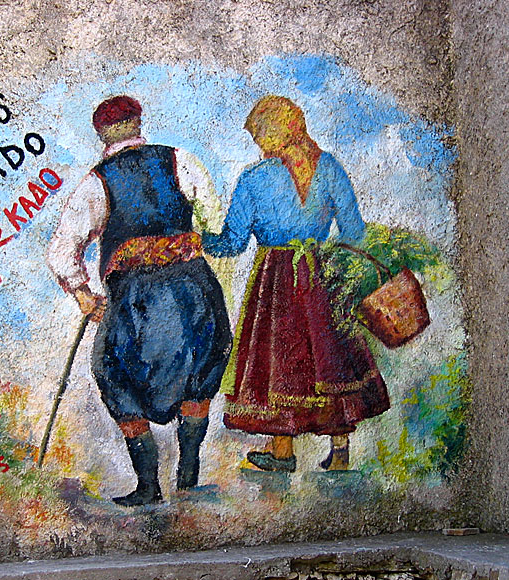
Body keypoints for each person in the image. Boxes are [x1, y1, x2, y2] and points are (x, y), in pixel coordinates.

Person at [47, 96, 231, 505]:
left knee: (114, 374)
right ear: (138, 123)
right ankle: (188, 476)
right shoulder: (179, 160)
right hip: (193, 292)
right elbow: (213, 219)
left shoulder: (97, 182)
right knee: (199, 367)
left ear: (101, 134)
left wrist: (83, 295)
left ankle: (149, 486)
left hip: (135, 303)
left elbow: (62, 249)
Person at [203, 95, 389, 472]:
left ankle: (282, 452)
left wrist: (200, 237)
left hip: (276, 280)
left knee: (279, 362)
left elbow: (232, 243)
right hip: (323, 273)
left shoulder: (255, 178)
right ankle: (339, 453)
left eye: (259, 136)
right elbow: (354, 230)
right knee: (330, 357)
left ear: (270, 134)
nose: (258, 145)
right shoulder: (330, 167)